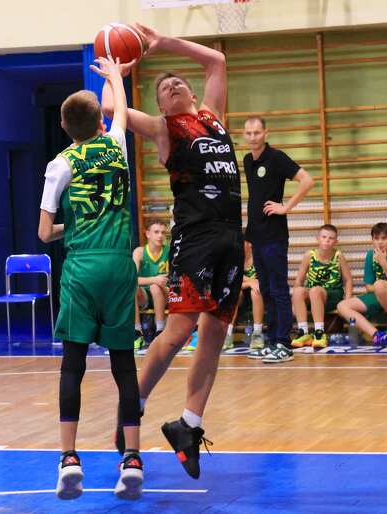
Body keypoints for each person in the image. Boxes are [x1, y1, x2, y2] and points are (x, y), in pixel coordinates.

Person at [100, 23, 243, 479]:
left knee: (215, 336)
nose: (174, 85)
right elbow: (109, 109)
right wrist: (116, 76)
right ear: (161, 105)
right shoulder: (165, 129)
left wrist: (164, 42)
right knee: (179, 331)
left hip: (230, 239)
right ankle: (133, 405)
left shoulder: (213, 118)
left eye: (179, 81)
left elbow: (216, 61)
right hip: (195, 240)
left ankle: (189, 425)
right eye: (165, 87)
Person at [38, 56, 143, 500]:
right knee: (124, 364)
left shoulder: (60, 164)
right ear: (99, 121)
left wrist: (77, 225)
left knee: (73, 364)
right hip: (119, 265)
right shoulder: (117, 144)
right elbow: (121, 114)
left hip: (82, 268)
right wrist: (115, 75)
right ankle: (132, 460)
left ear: (65, 127)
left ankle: (69, 459)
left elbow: (45, 233)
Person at [242, 116, 314, 363]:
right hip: (256, 235)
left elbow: (307, 180)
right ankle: (272, 341)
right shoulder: (247, 160)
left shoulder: (276, 158)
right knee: (265, 290)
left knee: (279, 288)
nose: (253, 137)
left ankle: (284, 343)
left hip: (274, 235)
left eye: (257, 132)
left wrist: (286, 207)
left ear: (266, 133)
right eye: (248, 133)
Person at [336, 222, 387, 346]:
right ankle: (377, 335)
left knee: (380, 284)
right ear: (372, 240)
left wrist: (384, 263)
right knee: (342, 306)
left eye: (384, 238)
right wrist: (383, 288)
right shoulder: (370, 255)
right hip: (381, 293)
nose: (380, 242)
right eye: (376, 238)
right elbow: (369, 287)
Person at [291, 224, 353, 350]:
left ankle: (319, 333)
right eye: (324, 237)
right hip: (313, 295)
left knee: (315, 290)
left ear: (336, 241)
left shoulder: (338, 256)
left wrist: (347, 300)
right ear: (318, 238)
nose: (327, 240)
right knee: (298, 291)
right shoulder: (309, 255)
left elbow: (348, 280)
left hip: (332, 295)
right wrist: (295, 301)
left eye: (331, 238)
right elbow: (299, 280)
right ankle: (303, 332)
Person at [133, 219, 169, 349]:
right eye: (156, 232)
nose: (160, 236)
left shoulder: (169, 251)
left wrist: (158, 283)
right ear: (148, 234)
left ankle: (160, 330)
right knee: (131, 288)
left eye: (163, 233)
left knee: (155, 287)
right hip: (144, 297)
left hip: (165, 294)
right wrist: (154, 279)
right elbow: (131, 279)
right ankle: (137, 332)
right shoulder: (139, 252)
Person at [225, 240, 265, 350]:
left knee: (256, 291)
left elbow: (262, 282)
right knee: (235, 291)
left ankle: (257, 333)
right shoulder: (234, 259)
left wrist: (249, 282)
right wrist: (249, 282)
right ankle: (227, 334)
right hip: (241, 297)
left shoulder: (258, 257)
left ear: (249, 244)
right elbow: (231, 281)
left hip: (259, 297)